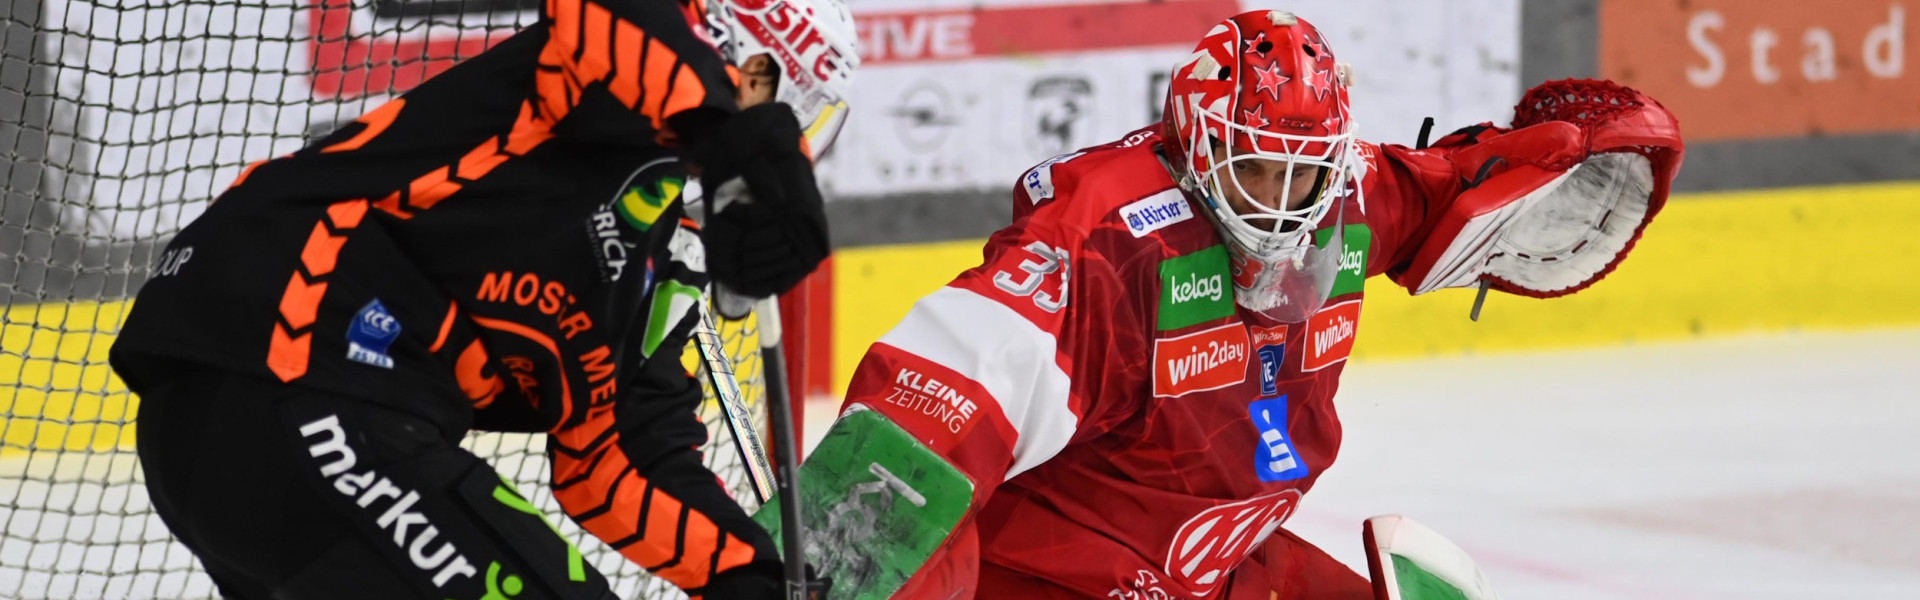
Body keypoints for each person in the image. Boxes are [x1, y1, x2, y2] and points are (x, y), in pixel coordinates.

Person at [772, 10, 1684, 600]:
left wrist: (1563, 165)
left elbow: (1445, 188)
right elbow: (933, 400)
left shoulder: (1353, 192)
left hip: (1217, 563)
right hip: (1062, 576)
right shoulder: (1104, 238)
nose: (1286, 201)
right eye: (1256, 166)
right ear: (1195, 144)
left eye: (1308, 172)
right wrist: (832, 568)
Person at [106, 0, 857, 597]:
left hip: (280, 449)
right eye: (793, 104)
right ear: (752, 68)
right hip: (288, 370)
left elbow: (619, 455)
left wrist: (746, 575)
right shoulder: (597, 78)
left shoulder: (661, 263)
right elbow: (612, 17)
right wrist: (724, 132)